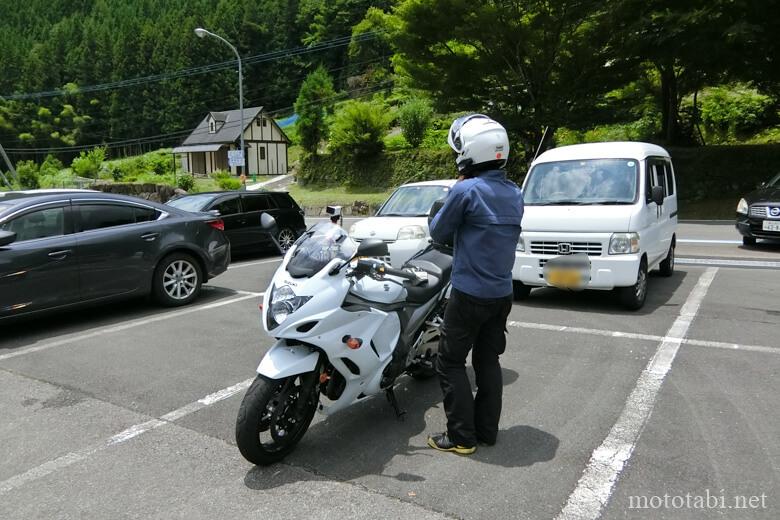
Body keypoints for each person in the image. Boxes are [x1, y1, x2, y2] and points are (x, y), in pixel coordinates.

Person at [426, 114, 524, 455]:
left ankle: (461, 437)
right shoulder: (515, 192)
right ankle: (486, 432)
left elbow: (438, 231)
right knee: (487, 363)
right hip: (502, 294)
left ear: (470, 152)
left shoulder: (465, 190)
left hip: (469, 295)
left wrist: (451, 194)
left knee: (450, 362)